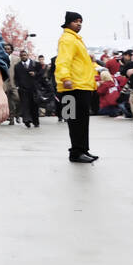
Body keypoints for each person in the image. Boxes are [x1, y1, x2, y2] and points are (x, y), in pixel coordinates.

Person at [55, 12, 98, 162]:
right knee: (74, 121)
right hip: (72, 87)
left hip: (81, 86)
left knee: (82, 120)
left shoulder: (76, 40)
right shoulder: (67, 39)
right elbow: (62, 61)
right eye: (75, 21)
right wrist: (65, 78)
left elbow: (80, 64)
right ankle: (76, 152)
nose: (79, 24)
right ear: (67, 23)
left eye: (80, 21)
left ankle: (83, 149)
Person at [15, 49, 42, 127]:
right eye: (22, 55)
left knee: (34, 106)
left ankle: (36, 122)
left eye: (25, 55)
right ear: (20, 57)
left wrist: (35, 74)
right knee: (25, 105)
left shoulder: (35, 64)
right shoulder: (17, 66)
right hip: (23, 89)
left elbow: (41, 74)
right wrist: (17, 86)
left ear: (28, 55)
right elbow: (16, 77)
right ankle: (27, 120)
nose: (23, 57)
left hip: (33, 88)